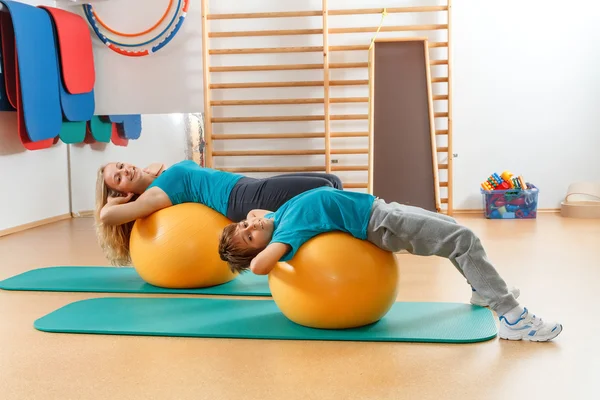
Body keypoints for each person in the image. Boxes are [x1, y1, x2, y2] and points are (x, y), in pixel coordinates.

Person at [218, 186, 563, 342]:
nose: (251, 226)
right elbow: (261, 266)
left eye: (245, 226)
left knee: (455, 230)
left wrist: (248, 229)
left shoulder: (275, 219)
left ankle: (481, 290)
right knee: (464, 240)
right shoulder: (286, 234)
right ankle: (512, 317)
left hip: (383, 210)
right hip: (382, 225)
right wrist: (258, 250)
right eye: (248, 237)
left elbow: (253, 215)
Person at [95, 159, 343, 266]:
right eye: (118, 178)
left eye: (121, 165)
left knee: (331, 180)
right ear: (120, 191)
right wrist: (117, 201)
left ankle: (341, 237)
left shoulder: (154, 173)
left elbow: (152, 168)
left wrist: (141, 177)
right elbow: (106, 216)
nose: (125, 170)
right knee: (324, 188)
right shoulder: (153, 196)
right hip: (240, 198)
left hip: (248, 183)